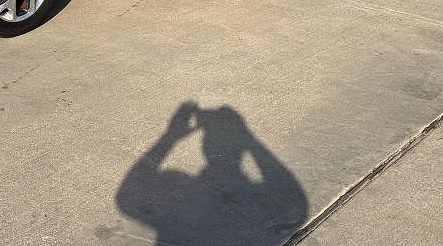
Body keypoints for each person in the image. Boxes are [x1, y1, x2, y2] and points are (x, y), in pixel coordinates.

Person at [115, 102, 308, 246]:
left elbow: (130, 191)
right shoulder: (284, 211)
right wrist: (247, 138)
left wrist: (171, 136)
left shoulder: (172, 211)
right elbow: (290, 197)